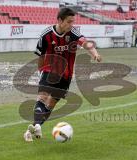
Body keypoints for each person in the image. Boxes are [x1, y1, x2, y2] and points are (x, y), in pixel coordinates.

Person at [23, 7, 102, 142]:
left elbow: (85, 43)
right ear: (60, 20)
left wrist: (95, 54)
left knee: (50, 105)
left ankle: (34, 128)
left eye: (73, 22)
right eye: (69, 22)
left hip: (66, 76)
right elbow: (40, 55)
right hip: (49, 71)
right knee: (42, 98)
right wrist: (40, 72)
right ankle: (36, 125)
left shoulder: (73, 33)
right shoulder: (46, 35)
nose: (72, 25)